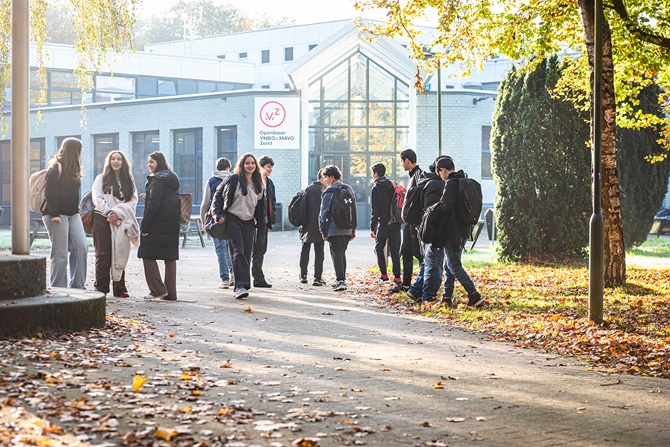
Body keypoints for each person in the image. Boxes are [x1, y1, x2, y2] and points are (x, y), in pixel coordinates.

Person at [211, 153, 266, 300]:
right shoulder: (233, 179)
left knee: (247, 253)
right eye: (247, 163)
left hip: (249, 221)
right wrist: (218, 214)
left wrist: (262, 225)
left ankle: (242, 284)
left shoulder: (258, 182)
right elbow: (217, 196)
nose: (250, 166)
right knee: (238, 251)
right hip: (233, 218)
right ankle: (240, 286)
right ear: (242, 165)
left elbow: (261, 206)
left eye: (253, 163)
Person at [437, 156, 484, 307]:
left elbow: (445, 206)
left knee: (454, 264)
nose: (441, 178)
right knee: (449, 264)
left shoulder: (451, 183)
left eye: (440, 174)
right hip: (463, 229)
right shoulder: (464, 180)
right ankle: (446, 298)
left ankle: (474, 294)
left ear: (443, 170)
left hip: (452, 231)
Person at [91, 151, 140, 297]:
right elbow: (97, 198)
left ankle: (120, 288)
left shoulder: (129, 180)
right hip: (101, 219)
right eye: (113, 159)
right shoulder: (101, 178)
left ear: (123, 162)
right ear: (109, 161)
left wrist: (118, 213)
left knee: (120, 251)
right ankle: (101, 287)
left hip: (121, 221)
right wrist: (109, 213)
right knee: (103, 253)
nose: (116, 161)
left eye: (119, 159)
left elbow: (133, 200)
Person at [42, 137, 88, 289]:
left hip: (73, 214)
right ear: (73, 151)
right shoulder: (56, 168)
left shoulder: (75, 169)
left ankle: (78, 286)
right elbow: (50, 194)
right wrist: (54, 214)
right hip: (56, 214)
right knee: (60, 254)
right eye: (79, 150)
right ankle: (58, 288)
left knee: (81, 247)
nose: (81, 153)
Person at [138, 151, 181, 301]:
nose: (149, 165)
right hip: (171, 225)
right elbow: (165, 199)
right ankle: (170, 293)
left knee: (146, 253)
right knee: (169, 257)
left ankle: (157, 289)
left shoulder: (157, 179)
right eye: (148, 162)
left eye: (152, 162)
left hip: (157, 224)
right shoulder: (171, 177)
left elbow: (154, 205)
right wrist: (148, 196)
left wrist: (145, 226)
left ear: (159, 163)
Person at [406, 156, 448, 303]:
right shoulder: (436, 185)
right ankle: (428, 296)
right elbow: (431, 209)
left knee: (429, 261)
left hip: (424, 228)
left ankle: (415, 290)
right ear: (439, 171)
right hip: (431, 230)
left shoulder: (427, 182)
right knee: (434, 264)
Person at [319, 165, 356, 291]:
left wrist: (323, 230)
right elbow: (353, 209)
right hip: (347, 229)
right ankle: (341, 279)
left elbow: (323, 213)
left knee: (337, 255)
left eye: (325, 177)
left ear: (332, 177)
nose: (324, 180)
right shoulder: (348, 188)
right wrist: (353, 228)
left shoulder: (328, 192)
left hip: (333, 230)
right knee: (341, 254)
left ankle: (340, 280)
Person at [391, 148, 424, 293]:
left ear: (407, 161)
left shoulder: (418, 175)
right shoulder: (412, 176)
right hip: (408, 222)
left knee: (419, 254)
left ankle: (423, 284)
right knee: (405, 251)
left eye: (401, 161)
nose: (401, 165)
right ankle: (405, 284)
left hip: (414, 223)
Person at [200, 157, 233, 289]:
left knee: (220, 250)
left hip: (215, 219)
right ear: (227, 168)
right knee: (230, 249)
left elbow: (205, 204)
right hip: (231, 219)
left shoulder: (211, 181)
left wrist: (203, 222)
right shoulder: (233, 180)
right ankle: (234, 275)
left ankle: (224, 280)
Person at [369, 163, 401, 286]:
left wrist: (373, 227)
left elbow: (375, 210)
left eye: (373, 173)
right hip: (395, 222)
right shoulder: (392, 186)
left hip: (383, 223)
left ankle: (384, 276)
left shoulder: (376, 189)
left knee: (379, 248)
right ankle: (397, 278)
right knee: (395, 250)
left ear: (376, 174)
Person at [251, 155, 276, 288]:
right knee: (254, 251)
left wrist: (270, 222)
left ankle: (257, 278)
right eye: (268, 166)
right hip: (253, 222)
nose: (270, 169)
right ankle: (256, 278)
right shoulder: (254, 181)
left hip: (264, 223)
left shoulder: (270, 183)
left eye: (271, 167)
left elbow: (273, 202)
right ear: (261, 167)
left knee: (261, 250)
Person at [299, 168, 327, 286]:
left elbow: (301, 208)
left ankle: (303, 275)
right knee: (319, 251)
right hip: (320, 225)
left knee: (305, 249)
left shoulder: (307, 189)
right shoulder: (324, 191)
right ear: (321, 178)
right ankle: (317, 277)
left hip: (306, 225)